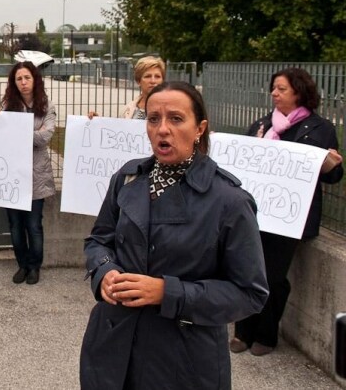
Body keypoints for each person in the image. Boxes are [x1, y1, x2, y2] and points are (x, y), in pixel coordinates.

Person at [79, 81, 269, 389]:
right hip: (112, 347)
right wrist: (105, 271)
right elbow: (99, 240)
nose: (162, 129)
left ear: (199, 129)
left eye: (176, 119)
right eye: (153, 119)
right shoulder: (127, 178)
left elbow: (250, 294)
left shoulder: (230, 201)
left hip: (183, 360)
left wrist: (167, 292)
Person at [232, 68, 343, 356]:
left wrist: (330, 166)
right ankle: (243, 332)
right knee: (247, 270)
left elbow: (334, 175)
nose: (274, 93)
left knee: (273, 276)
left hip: (290, 218)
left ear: (299, 92)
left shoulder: (320, 128)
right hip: (256, 213)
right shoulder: (262, 125)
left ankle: (266, 335)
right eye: (274, 88)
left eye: (281, 89)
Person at [0, 61, 56, 285]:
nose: (23, 82)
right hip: (12, 174)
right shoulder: (7, 106)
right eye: (19, 79)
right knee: (15, 225)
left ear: (35, 80)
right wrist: (33, 131)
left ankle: (34, 266)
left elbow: (46, 137)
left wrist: (18, 132)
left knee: (33, 225)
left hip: (36, 175)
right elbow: (1, 135)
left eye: (27, 78)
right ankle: (22, 264)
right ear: (14, 83)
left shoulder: (47, 105)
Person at [89, 56, 165, 120]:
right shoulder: (128, 109)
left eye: (157, 76)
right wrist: (97, 122)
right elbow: (118, 129)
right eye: (147, 76)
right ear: (138, 81)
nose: (153, 81)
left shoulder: (169, 107)